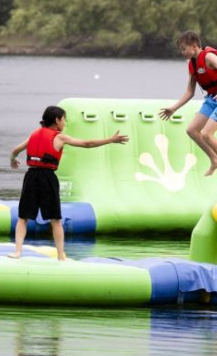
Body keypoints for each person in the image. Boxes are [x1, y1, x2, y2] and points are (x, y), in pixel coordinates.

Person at [9, 105, 128, 260]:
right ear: (57, 120)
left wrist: (13, 160)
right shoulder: (59, 137)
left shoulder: (34, 134)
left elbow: (15, 150)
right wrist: (110, 140)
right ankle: (61, 256)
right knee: (55, 220)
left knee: (23, 217)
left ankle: (17, 252)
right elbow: (86, 144)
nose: (65, 123)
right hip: (47, 178)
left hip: (31, 176)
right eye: (64, 120)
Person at [159, 30, 217, 183]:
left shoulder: (209, 57)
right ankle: (215, 160)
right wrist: (173, 108)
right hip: (212, 99)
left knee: (207, 134)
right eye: (181, 50)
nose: (182, 52)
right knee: (192, 130)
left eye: (184, 49)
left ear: (194, 46)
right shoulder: (192, 64)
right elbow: (190, 92)